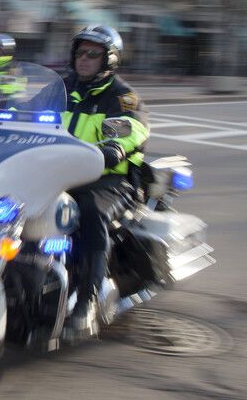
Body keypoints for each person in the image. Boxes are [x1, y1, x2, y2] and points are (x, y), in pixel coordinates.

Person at [61, 25, 150, 339]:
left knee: (89, 211)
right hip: (59, 173)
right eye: (79, 53)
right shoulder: (62, 87)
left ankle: (87, 298)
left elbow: (134, 128)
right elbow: (27, 114)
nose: (83, 59)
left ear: (109, 59)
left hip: (108, 180)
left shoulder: (121, 96)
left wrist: (116, 147)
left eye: (92, 54)